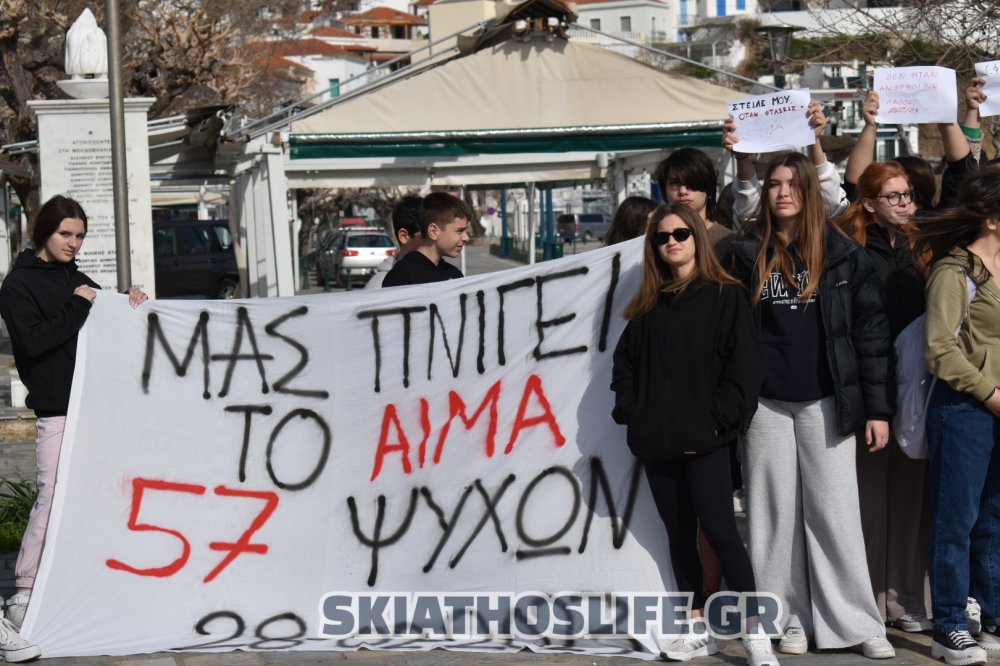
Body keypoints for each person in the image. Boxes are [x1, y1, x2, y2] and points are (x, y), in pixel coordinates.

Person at [727, 151, 896, 659]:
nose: (782, 192)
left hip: (828, 400)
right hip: (765, 404)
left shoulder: (844, 253)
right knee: (772, 517)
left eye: (792, 183)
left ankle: (858, 623)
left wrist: (879, 410)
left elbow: (870, 334)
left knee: (835, 513)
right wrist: (741, 162)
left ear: (808, 190)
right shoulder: (745, 251)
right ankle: (789, 621)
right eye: (774, 183)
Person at [611, 202, 775, 665]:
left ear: (696, 238)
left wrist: (717, 421)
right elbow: (623, 370)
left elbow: (744, 371)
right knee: (678, 535)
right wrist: (633, 413)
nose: (672, 243)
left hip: (706, 441)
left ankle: (754, 631)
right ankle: (696, 625)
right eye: (662, 238)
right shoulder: (646, 306)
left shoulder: (726, 296)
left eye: (680, 234)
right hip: (658, 444)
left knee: (722, 532)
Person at [0, 195, 147, 662]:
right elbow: (35, 340)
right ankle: (23, 591)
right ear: (44, 231)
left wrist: (131, 300)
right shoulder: (18, 284)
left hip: (95, 406)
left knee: (97, 493)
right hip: (56, 409)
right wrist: (80, 305)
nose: (73, 243)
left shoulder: (76, 278)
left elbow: (105, 317)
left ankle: (83, 581)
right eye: (66, 234)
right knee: (51, 492)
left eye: (80, 235)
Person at [835, 161, 932, 632]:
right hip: (869, 391)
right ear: (869, 203)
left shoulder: (922, 244)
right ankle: (868, 598)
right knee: (868, 501)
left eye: (908, 194)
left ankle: (905, 597)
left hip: (916, 388)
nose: (905, 203)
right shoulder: (848, 248)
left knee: (910, 500)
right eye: (894, 196)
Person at [915, 166, 1000, 666]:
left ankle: (992, 617)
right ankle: (948, 625)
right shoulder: (954, 272)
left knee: (994, 518)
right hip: (965, 409)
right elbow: (940, 349)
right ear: (991, 218)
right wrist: (990, 393)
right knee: (957, 520)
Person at [653, 148, 735, 257]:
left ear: (708, 187)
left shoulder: (729, 242)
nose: (683, 191)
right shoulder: (657, 241)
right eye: (674, 184)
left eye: (690, 183)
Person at [382, 192, 471, 287]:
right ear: (433, 231)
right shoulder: (401, 276)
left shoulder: (455, 275)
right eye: (459, 231)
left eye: (466, 232)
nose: (466, 238)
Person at [365, 195, 422, 289]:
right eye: (427, 235)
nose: (435, 240)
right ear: (404, 236)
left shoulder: (444, 278)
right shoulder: (380, 285)